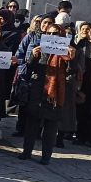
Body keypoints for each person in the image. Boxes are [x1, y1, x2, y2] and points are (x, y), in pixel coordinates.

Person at [17, 21, 76, 165]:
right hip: (38, 91)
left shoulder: (68, 52)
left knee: (50, 127)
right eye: (48, 33)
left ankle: (46, 156)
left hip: (55, 95)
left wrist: (71, 59)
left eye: (55, 33)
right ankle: (26, 152)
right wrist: (33, 56)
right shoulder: (40, 49)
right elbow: (29, 69)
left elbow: (72, 73)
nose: (51, 36)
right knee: (32, 124)